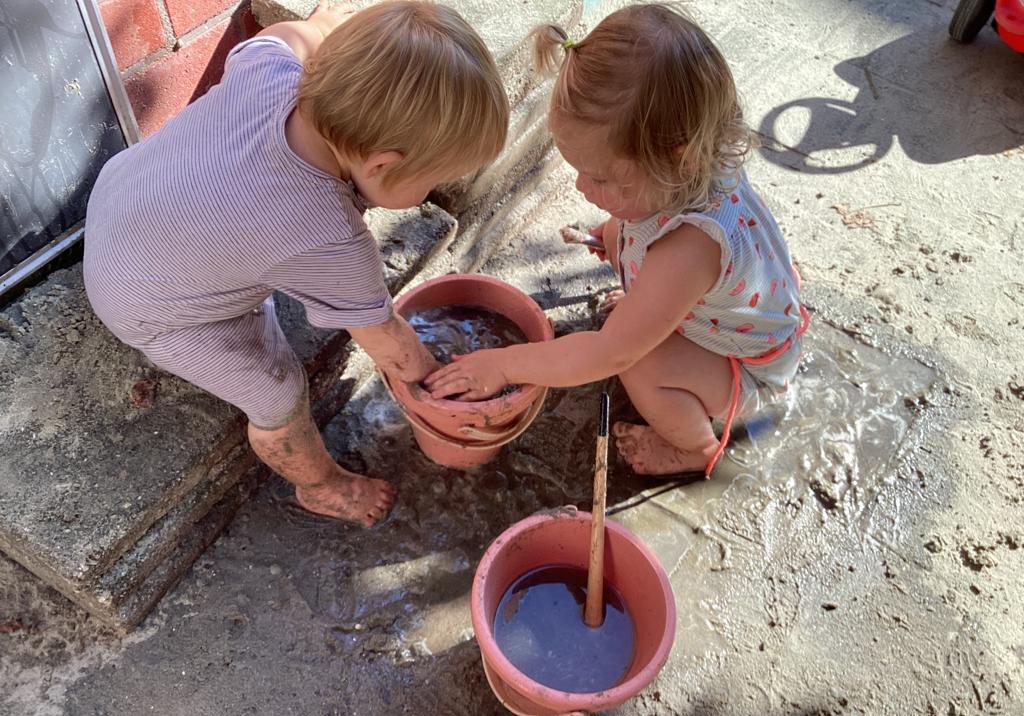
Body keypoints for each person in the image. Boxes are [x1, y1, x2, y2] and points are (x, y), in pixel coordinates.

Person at [84, 1, 509, 526]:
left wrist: (329, 26)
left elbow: (301, 31)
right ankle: (320, 485)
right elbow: (387, 343)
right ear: (381, 165)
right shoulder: (332, 239)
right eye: (430, 181)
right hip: (149, 308)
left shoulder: (273, 68)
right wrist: (438, 379)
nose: (431, 192)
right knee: (278, 389)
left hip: (116, 204)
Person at [425, 4, 808, 478]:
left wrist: (504, 366)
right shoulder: (685, 174)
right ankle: (652, 309)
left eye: (600, 178)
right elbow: (639, 226)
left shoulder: (690, 248)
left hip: (749, 371)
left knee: (640, 362)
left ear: (680, 161)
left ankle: (694, 449)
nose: (584, 189)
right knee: (618, 231)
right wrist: (611, 238)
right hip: (733, 310)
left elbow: (608, 353)